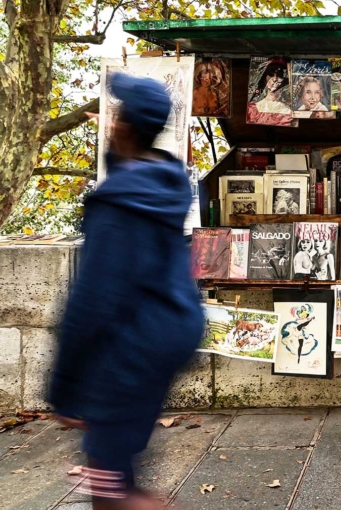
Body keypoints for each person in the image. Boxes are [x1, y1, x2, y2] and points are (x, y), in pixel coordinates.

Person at [48, 73, 204, 510]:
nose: (110, 122)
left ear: (125, 127)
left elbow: (92, 302)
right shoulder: (165, 181)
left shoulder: (119, 203)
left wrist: (63, 389)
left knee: (109, 482)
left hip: (131, 344)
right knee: (114, 465)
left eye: (116, 115)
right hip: (169, 330)